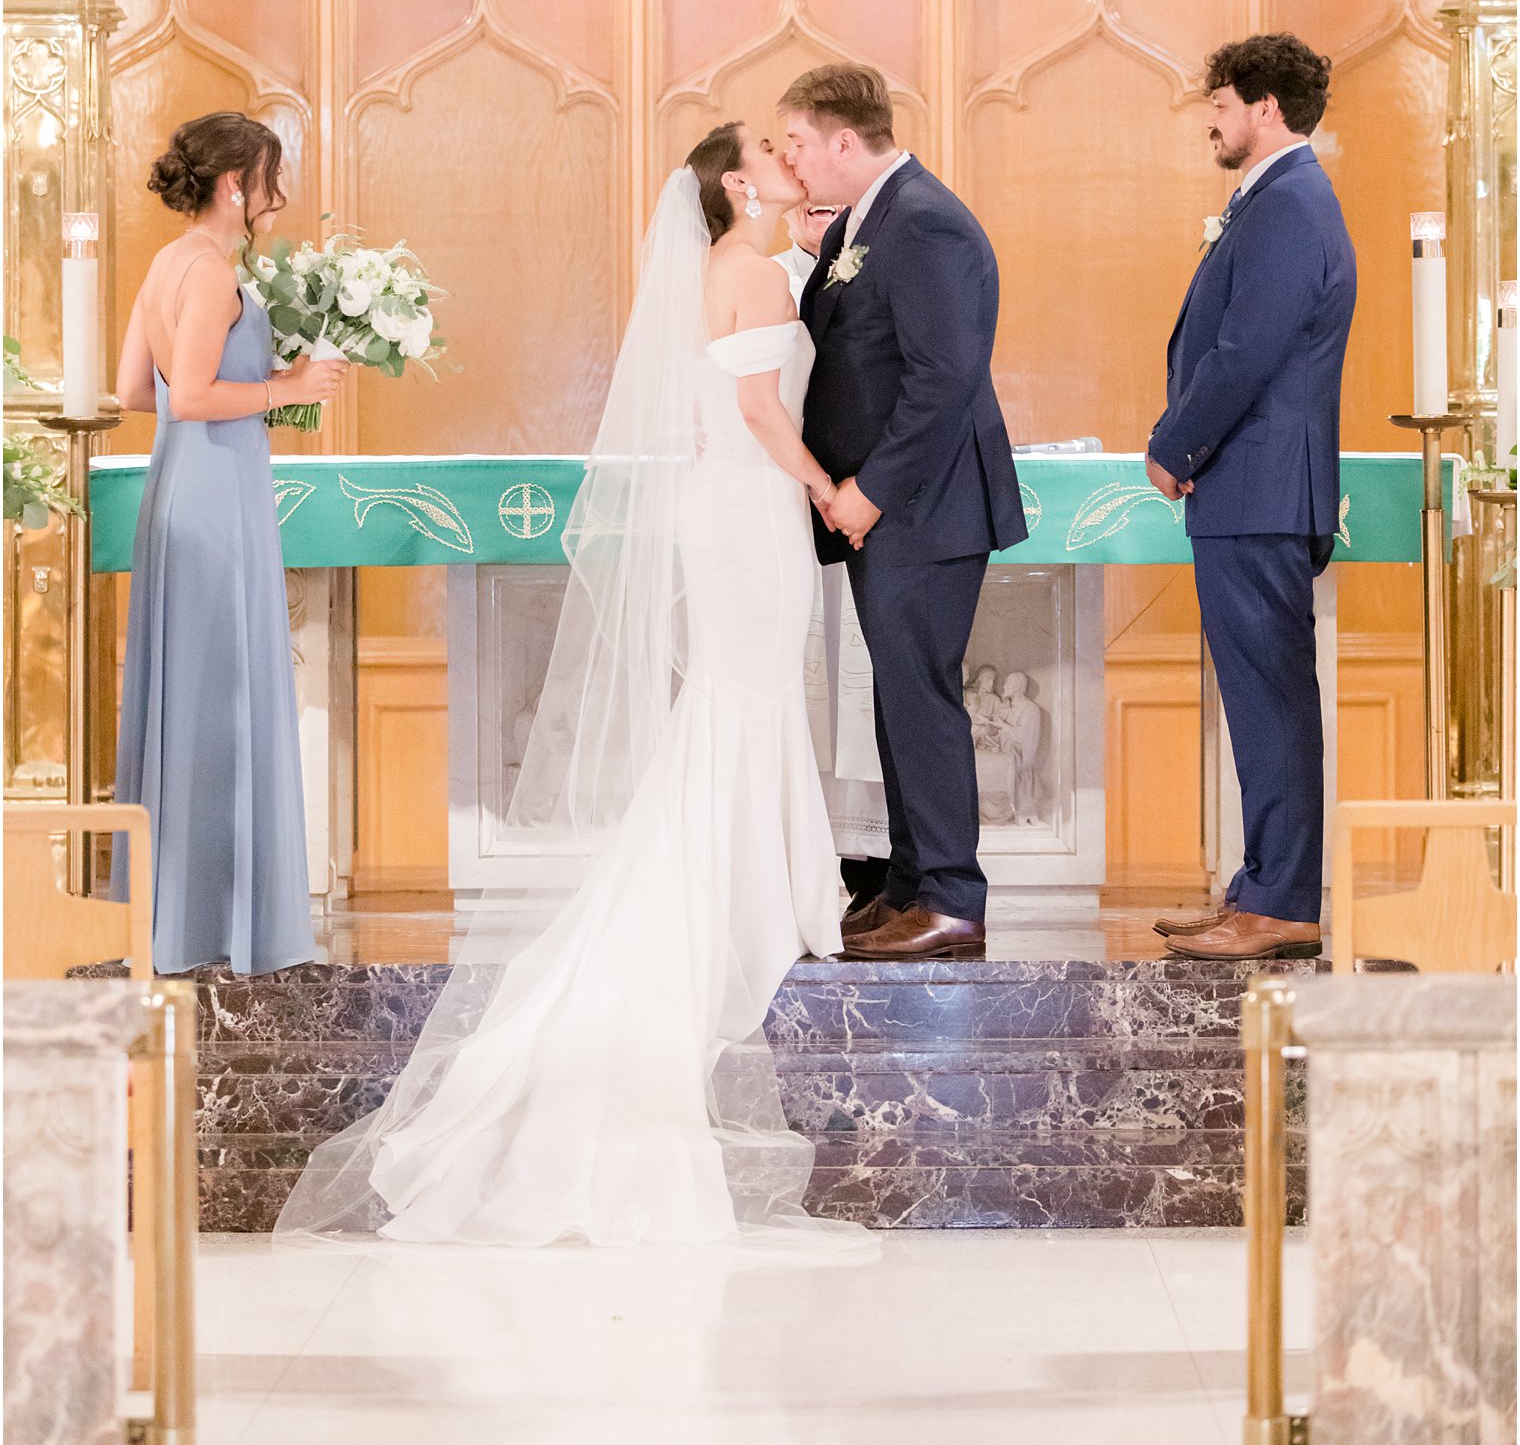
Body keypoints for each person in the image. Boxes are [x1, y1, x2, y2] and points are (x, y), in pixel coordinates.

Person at [277, 124, 866, 1251]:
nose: (793, 162)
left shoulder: (748, 261)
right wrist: (829, 491)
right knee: (743, 701)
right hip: (750, 513)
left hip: (740, 515)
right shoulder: (738, 268)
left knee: (745, 703)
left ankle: (767, 885)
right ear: (737, 183)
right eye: (770, 156)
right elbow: (753, 413)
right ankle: (756, 892)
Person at [784, 64, 1027, 962]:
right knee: (898, 696)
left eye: (800, 145)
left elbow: (942, 378)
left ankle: (953, 896)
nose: (792, 163)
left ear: (845, 141)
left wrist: (869, 491)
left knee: (921, 697)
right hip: (894, 511)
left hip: (922, 506)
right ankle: (910, 881)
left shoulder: (925, 222)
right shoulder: (870, 219)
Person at [110, 112, 346, 974]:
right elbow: (201, 392)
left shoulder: (165, 265)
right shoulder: (211, 275)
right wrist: (289, 386)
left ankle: (178, 912)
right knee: (226, 691)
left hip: (181, 482)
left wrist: (235, 391)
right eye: (266, 178)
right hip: (218, 493)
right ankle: (223, 919)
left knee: (190, 688)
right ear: (233, 184)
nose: (274, 196)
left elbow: (139, 387)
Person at [1146, 33, 1355, 962]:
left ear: (1265, 108)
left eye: (1222, 104)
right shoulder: (1277, 200)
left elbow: (1246, 349)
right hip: (1252, 488)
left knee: (1271, 700)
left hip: (1258, 486)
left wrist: (1176, 442)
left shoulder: (1289, 203)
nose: (1211, 121)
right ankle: (1261, 887)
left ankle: (1281, 901)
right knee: (1263, 699)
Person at [773, 197, 841, 309]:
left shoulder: (875, 269)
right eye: (804, 185)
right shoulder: (764, 279)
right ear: (783, 209)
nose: (821, 195)